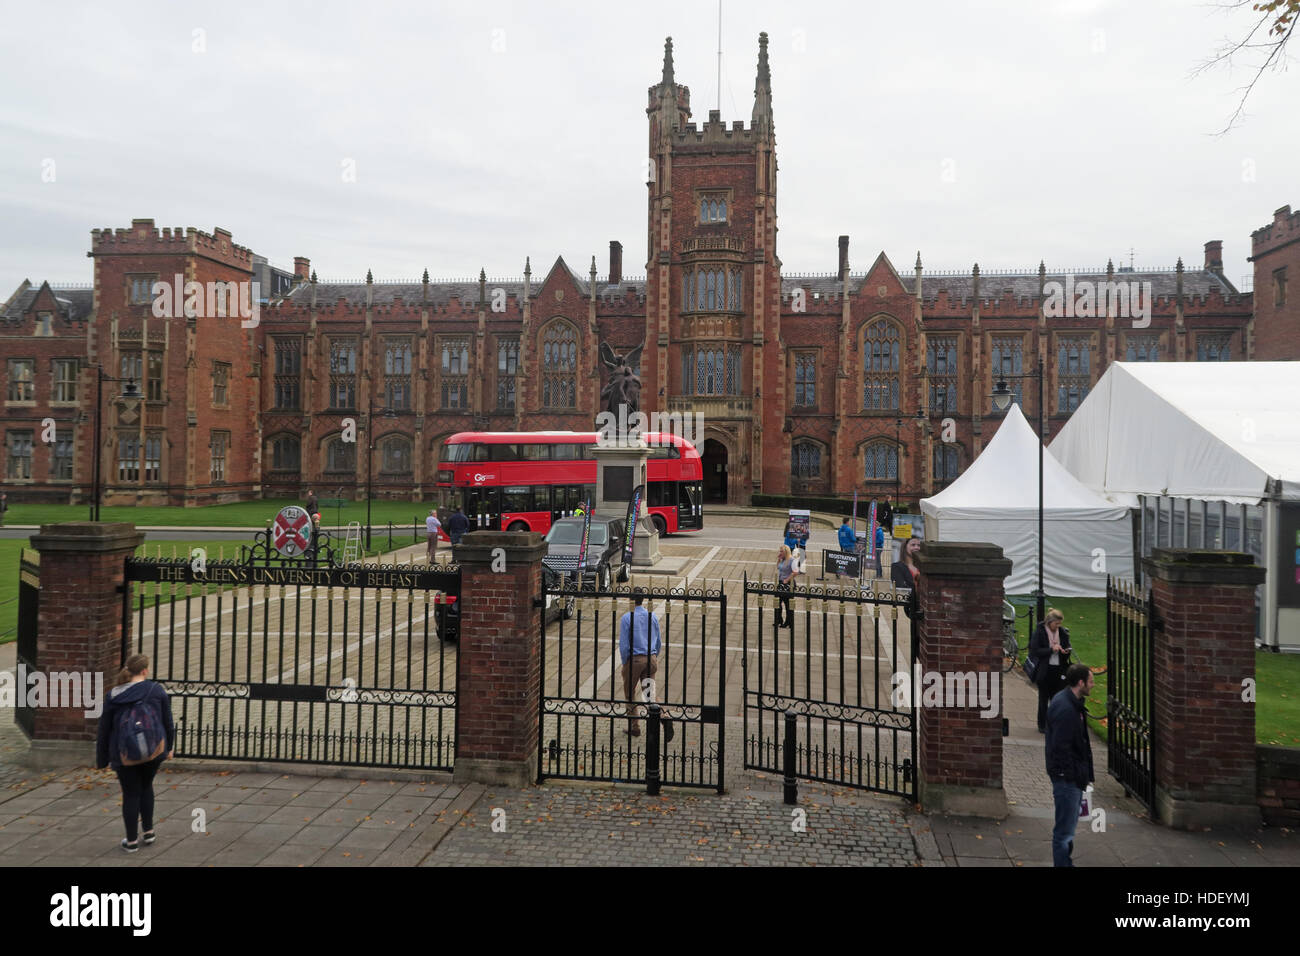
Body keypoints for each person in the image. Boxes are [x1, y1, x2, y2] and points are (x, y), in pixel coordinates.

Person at [96, 654, 175, 853]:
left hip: (124, 754)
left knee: (131, 794)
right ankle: (148, 832)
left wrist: (102, 759)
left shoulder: (113, 696)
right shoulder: (155, 690)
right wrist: (169, 747)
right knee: (146, 787)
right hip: (153, 751)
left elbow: (104, 730)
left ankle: (131, 841)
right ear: (145, 671)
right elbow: (167, 722)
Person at [1045, 663, 1095, 867]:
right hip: (1067, 779)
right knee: (1064, 833)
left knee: (1067, 829)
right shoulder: (1067, 709)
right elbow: (1061, 748)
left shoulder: (1070, 702)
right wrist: (1074, 775)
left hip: (1071, 777)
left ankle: (1066, 862)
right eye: (1091, 681)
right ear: (1081, 682)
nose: (1093, 685)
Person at [619, 590, 670, 740]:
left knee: (630, 693)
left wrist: (625, 662)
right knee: (649, 694)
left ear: (630, 600)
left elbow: (624, 644)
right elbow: (658, 640)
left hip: (635, 660)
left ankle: (635, 726)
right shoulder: (652, 616)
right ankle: (664, 716)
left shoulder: (627, 618)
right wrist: (654, 655)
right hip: (651, 658)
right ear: (643, 600)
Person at [1029, 608, 1072, 733]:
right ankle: (1042, 724)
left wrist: (1065, 651)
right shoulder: (1040, 632)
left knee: (1056, 699)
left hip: (1058, 669)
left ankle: (1053, 723)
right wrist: (1051, 650)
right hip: (1044, 670)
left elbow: (1067, 646)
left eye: (1059, 624)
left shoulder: (1062, 633)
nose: (1058, 626)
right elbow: (1035, 650)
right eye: (1056, 623)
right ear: (1050, 622)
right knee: (1043, 698)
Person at [890, 536, 921, 619]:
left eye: (918, 545)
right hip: (910, 602)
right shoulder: (896, 567)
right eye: (913, 545)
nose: (916, 547)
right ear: (905, 547)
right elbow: (899, 585)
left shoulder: (923, 567)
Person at [776, 544, 799, 627]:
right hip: (781, 583)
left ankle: (788, 622)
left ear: (786, 552)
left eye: (781, 551)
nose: (780, 552)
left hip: (788, 584)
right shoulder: (783, 559)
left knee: (787, 604)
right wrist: (779, 559)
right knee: (777, 602)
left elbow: (796, 572)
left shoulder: (792, 560)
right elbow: (778, 567)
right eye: (780, 551)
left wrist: (787, 579)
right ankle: (779, 620)